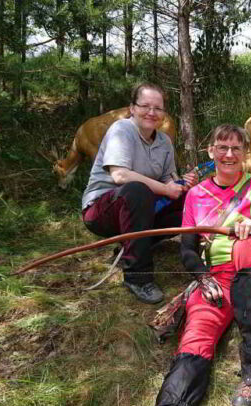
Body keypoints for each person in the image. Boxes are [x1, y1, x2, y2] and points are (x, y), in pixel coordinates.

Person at [111, 124, 251, 406]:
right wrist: (202, 278)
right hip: (216, 278)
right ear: (211, 152)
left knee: (244, 247)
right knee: (197, 333)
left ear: (245, 153)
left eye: (236, 148)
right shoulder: (196, 194)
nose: (229, 154)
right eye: (222, 147)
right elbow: (188, 250)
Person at [81, 83, 196, 305]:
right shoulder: (122, 130)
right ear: (132, 108)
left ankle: (139, 245)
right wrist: (165, 189)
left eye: (158, 108)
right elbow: (120, 176)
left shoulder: (164, 142)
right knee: (136, 190)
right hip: (101, 210)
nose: (152, 113)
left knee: (190, 198)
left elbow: (168, 180)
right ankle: (138, 277)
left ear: (164, 113)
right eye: (145, 106)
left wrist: (182, 184)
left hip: (141, 209)